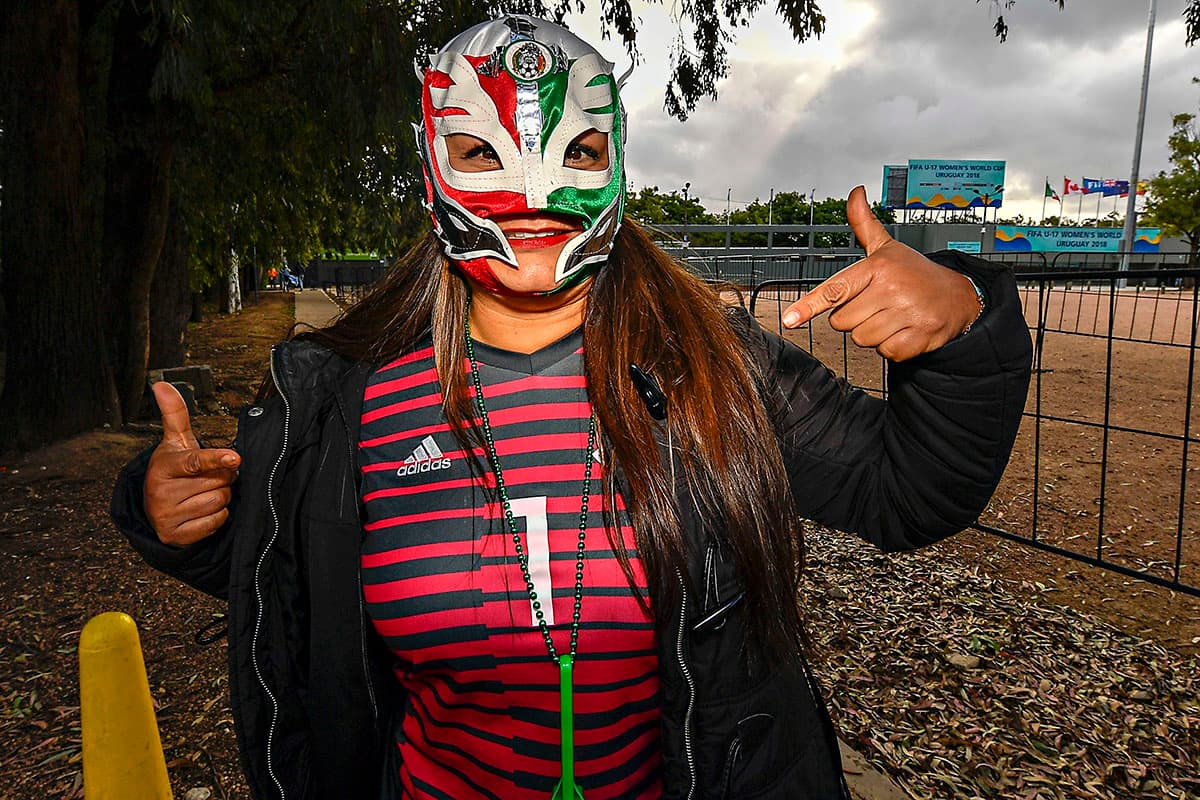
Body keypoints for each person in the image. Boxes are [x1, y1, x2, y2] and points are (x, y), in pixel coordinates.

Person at [112, 14, 1031, 800]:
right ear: (431, 163)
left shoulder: (709, 367)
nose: (535, 191)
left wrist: (964, 332)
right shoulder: (341, 395)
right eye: (480, 150)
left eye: (577, 151)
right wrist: (180, 519)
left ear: (615, 162)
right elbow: (301, 576)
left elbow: (911, 492)